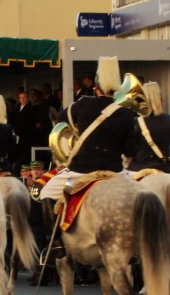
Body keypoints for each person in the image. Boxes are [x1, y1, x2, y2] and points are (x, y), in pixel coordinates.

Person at [38, 57, 142, 261]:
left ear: (95, 86)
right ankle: (136, 246)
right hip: (115, 174)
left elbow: (60, 119)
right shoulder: (126, 113)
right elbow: (130, 151)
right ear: (117, 89)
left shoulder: (83, 104)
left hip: (78, 174)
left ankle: (56, 243)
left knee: (46, 192)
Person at [127, 81, 170, 172]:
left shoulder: (136, 122)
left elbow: (130, 149)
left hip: (140, 168)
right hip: (165, 168)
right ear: (159, 98)